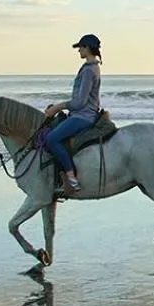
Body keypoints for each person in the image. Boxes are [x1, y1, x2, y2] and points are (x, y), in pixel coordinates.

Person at [42, 33, 103, 193]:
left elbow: (79, 102)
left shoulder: (90, 70)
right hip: (82, 114)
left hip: (84, 116)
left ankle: (71, 178)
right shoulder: (89, 67)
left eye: (81, 47)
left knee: (52, 139)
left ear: (88, 48)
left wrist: (57, 108)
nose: (79, 51)